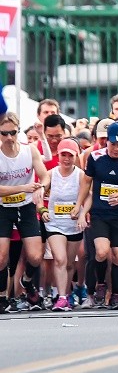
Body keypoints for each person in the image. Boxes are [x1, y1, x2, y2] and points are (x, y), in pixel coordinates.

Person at [77, 121, 118, 310]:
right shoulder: (95, 157)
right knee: (102, 251)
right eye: (113, 144)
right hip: (100, 213)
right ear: (106, 142)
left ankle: (116, 295)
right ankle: (100, 284)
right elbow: (86, 183)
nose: (116, 148)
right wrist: (80, 208)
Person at [0, 113, 49, 313]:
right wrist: (24, 187)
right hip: (3, 207)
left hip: (26, 206)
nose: (9, 137)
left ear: (18, 131)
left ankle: (27, 281)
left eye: (13, 132)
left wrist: (40, 188)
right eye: (4, 133)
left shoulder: (29, 151)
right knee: (2, 256)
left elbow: (45, 176)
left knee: (36, 256)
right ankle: (2, 296)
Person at [41, 139, 83, 312]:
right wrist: (42, 208)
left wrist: (82, 214)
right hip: (54, 224)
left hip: (74, 224)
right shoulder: (51, 174)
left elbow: (88, 196)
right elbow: (39, 192)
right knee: (60, 259)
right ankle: (62, 297)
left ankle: (66, 295)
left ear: (76, 156)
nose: (66, 159)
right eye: (63, 155)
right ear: (58, 155)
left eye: (70, 155)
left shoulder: (81, 175)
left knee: (70, 264)